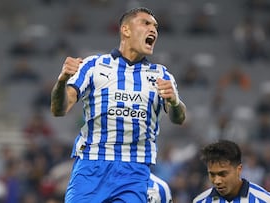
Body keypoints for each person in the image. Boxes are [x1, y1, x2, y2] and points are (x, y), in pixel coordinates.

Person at [50, 7, 187, 203]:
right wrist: (62, 80)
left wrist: (175, 101)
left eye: (156, 27)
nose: (153, 30)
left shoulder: (161, 75)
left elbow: (179, 118)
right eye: (146, 23)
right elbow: (59, 109)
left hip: (135, 170)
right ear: (126, 30)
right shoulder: (93, 66)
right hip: (92, 166)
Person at [192, 140, 270, 203]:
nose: (217, 181)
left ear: (239, 169)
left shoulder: (265, 200)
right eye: (212, 174)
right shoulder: (200, 201)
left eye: (223, 174)